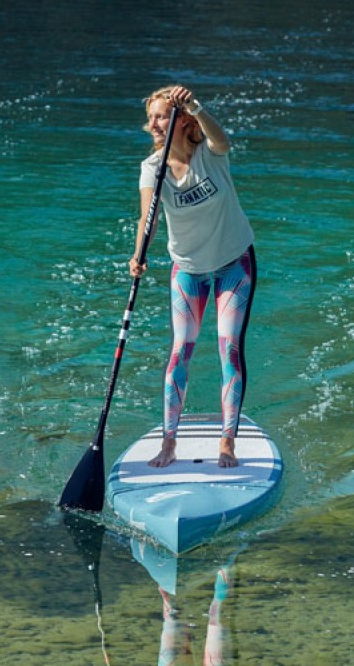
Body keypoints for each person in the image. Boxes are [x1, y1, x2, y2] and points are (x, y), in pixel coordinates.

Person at [130, 85, 256, 469]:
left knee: (228, 350)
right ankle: (169, 443)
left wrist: (196, 106)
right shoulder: (152, 169)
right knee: (180, 350)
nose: (152, 124)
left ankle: (228, 440)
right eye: (151, 117)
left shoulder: (210, 155)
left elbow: (222, 138)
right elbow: (147, 219)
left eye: (161, 116)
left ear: (182, 121)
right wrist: (138, 256)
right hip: (187, 270)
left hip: (234, 263)